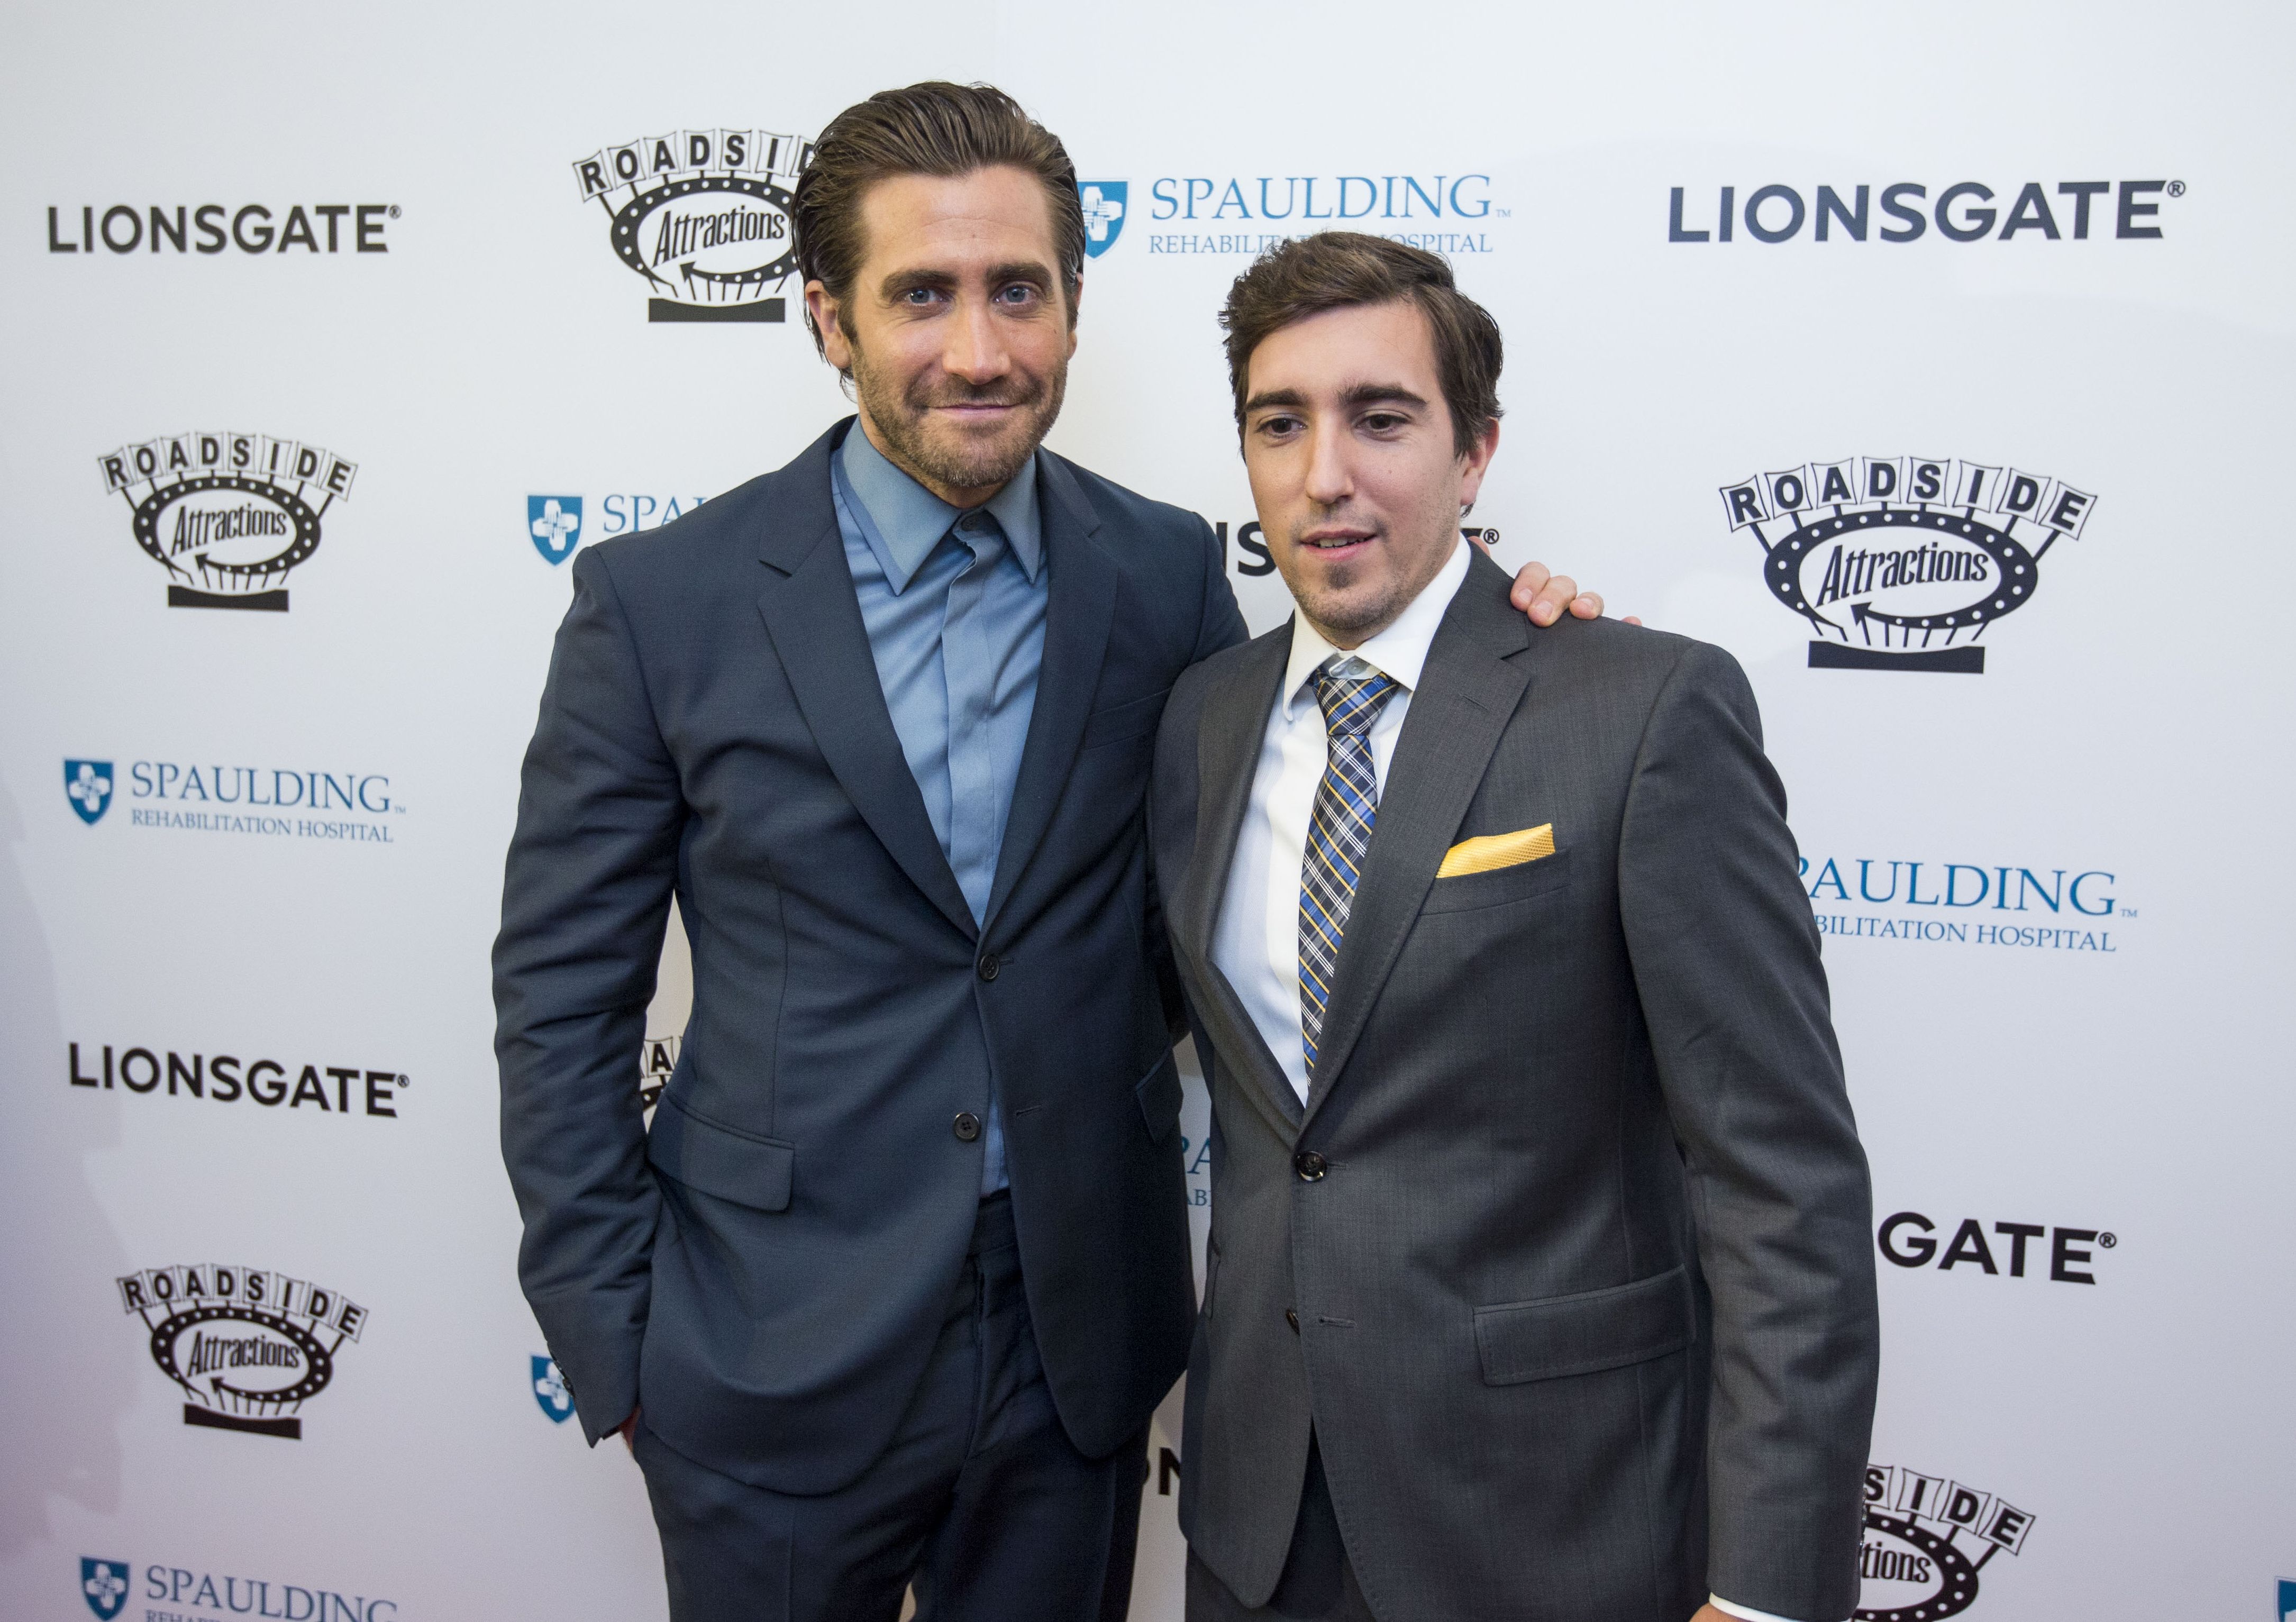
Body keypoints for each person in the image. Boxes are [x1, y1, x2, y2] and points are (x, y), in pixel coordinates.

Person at [493, 84, 1605, 1622]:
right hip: (759, 1355)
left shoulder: (1157, 573)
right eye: (919, 295)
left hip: (1074, 1360)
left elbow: (1285, 839)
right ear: (827, 317)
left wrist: (1518, 650)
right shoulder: (658, 600)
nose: (978, 348)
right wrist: (611, 1334)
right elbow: (560, 997)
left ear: (1075, 307)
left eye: (1018, 290)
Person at [1150, 232, 1879, 1622]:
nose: (1325, 474)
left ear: (1475, 450)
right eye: (1277, 422)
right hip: (1255, 1524)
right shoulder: (1201, 717)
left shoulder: (1639, 708)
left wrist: (1771, 1592)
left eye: (1380, 419)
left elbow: (1778, 1178)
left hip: (1557, 1527)